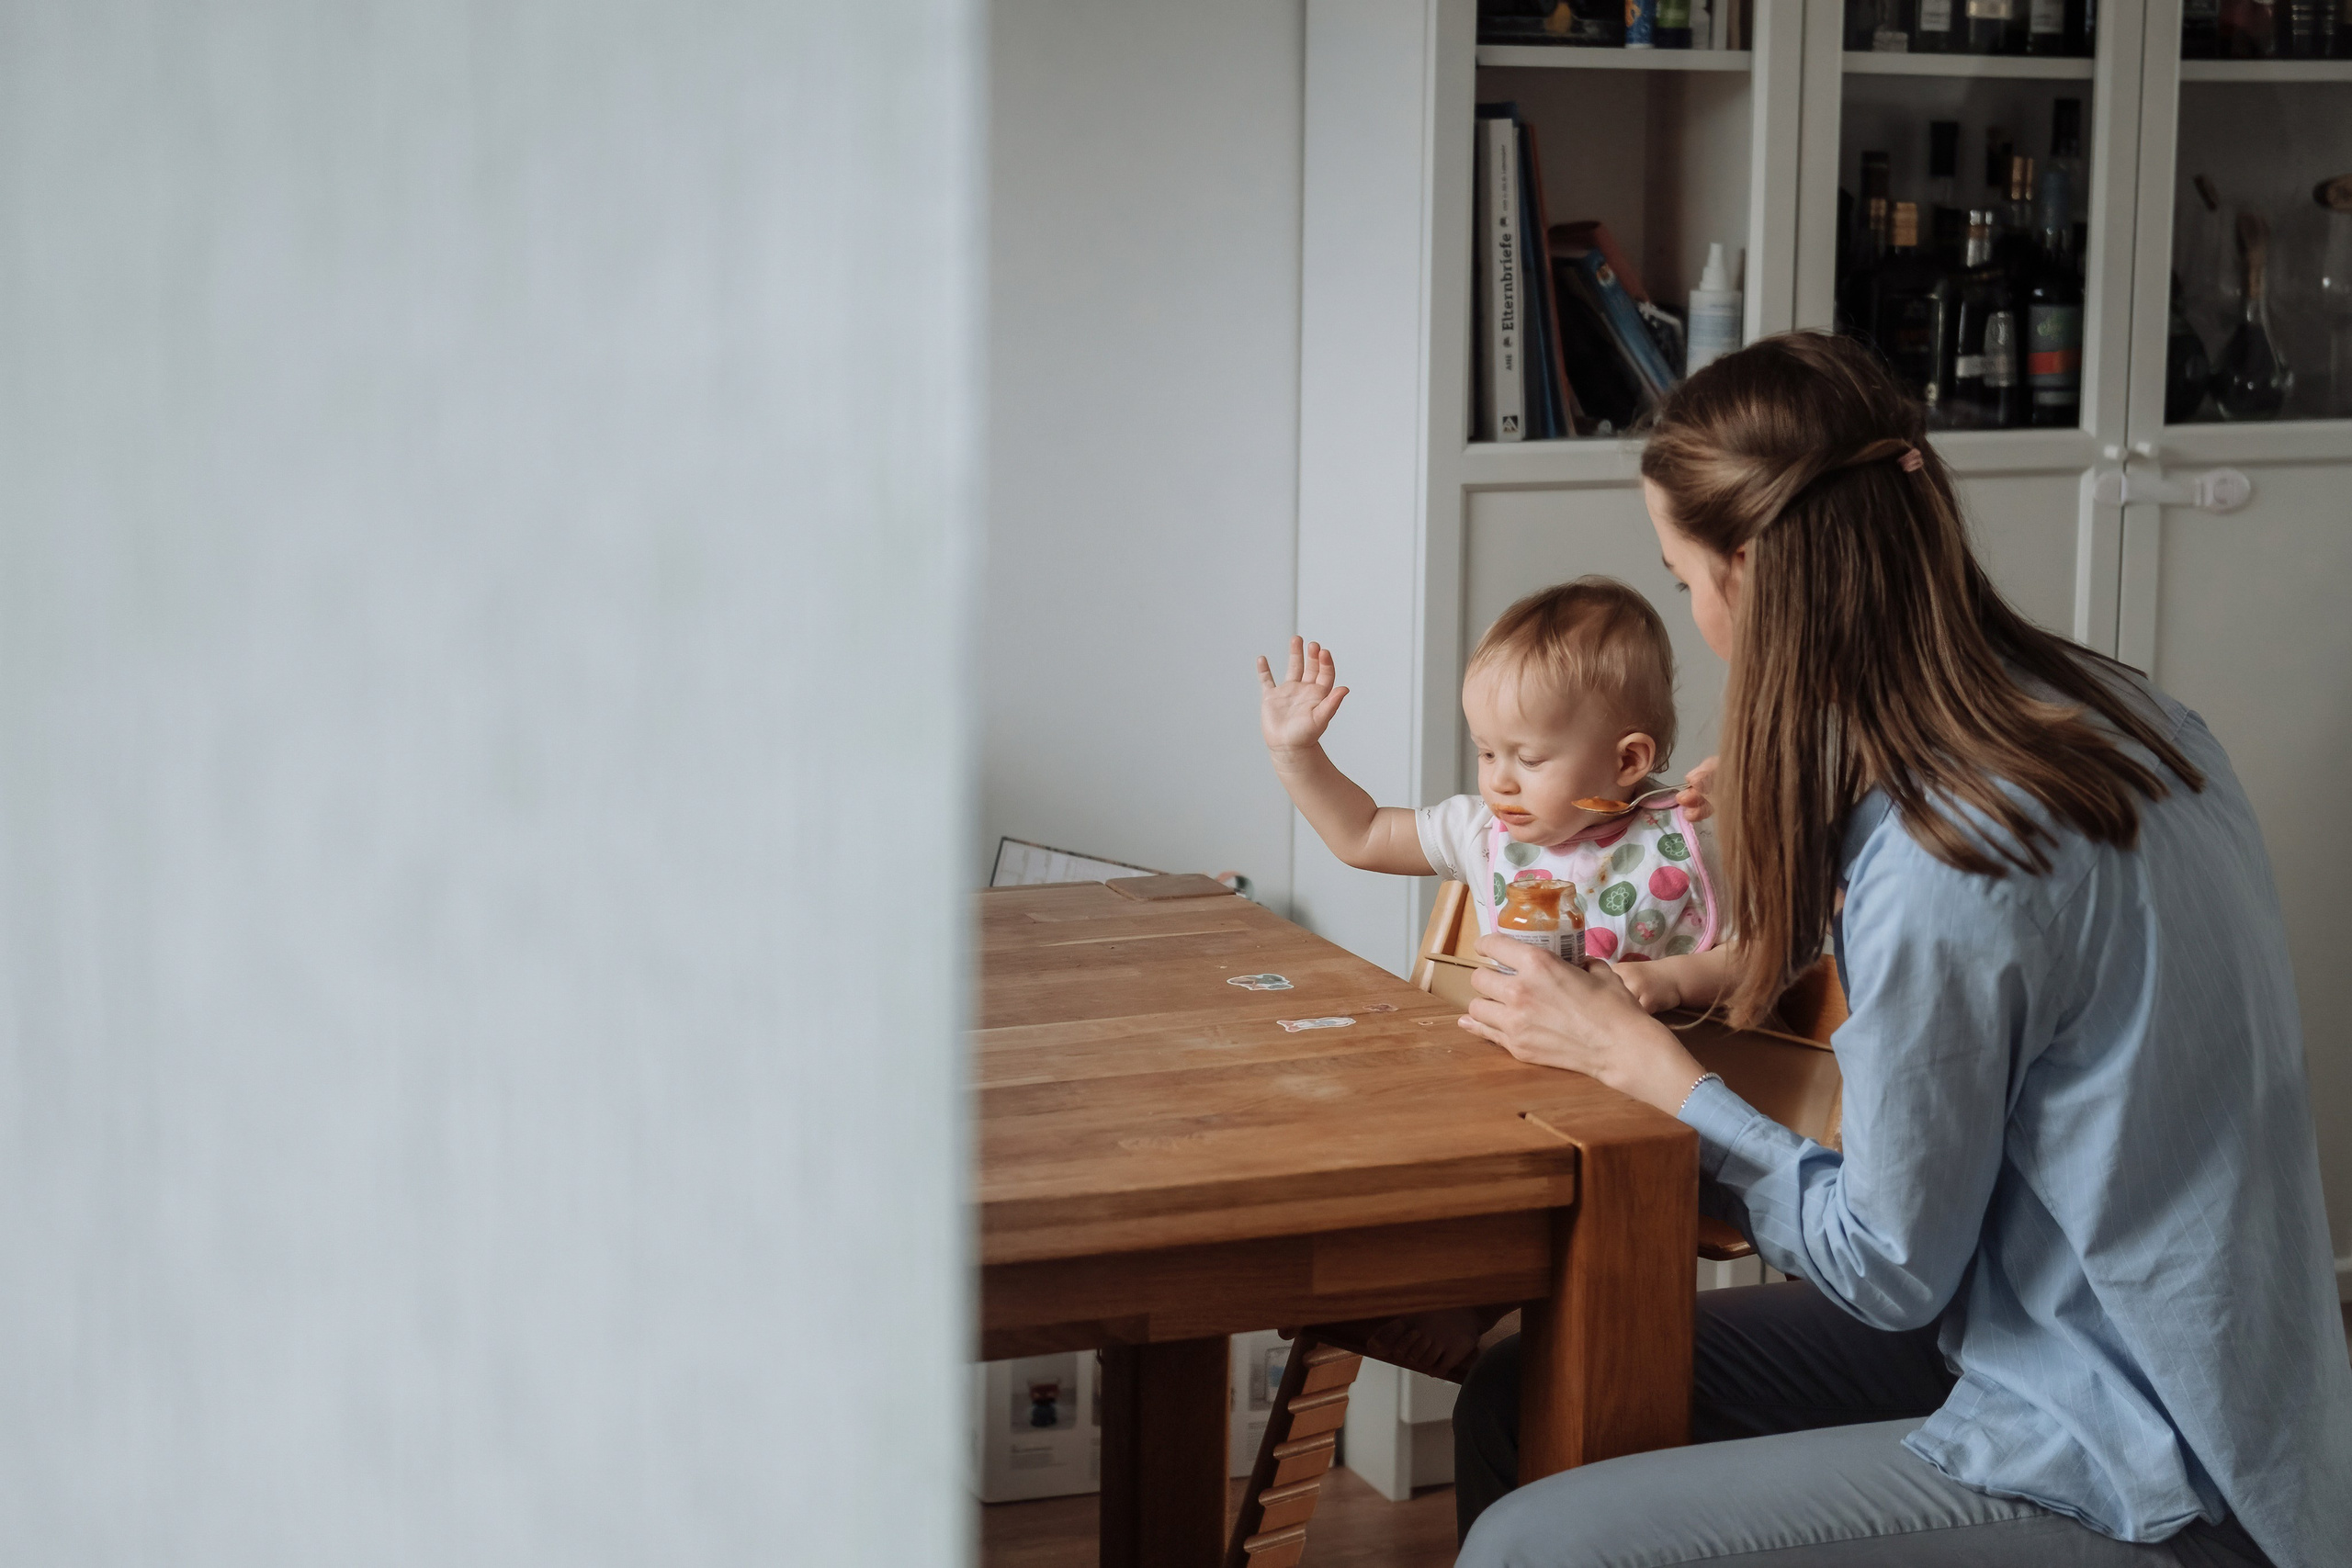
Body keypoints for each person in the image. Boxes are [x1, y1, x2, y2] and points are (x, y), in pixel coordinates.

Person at [1448, 332, 2352, 1568]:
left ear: (1753, 566)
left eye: (1685, 581)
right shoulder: (2130, 716)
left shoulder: (1945, 854)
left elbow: (1884, 1266)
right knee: (1518, 1392)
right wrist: (1814, 842)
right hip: (2190, 1365)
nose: (1699, 619)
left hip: (2142, 1449)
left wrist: (1658, 1070)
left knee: (1531, 1548)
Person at [1255, 577, 1722, 1376]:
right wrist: (1297, 756)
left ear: (1628, 759)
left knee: (1557, 1175)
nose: (1499, 779)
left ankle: (1469, 1303)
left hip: (1637, 1109)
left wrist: (1672, 979)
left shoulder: (1689, 837)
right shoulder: (1484, 831)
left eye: (1529, 757)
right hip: (1502, 1078)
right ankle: (1410, 1279)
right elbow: (1365, 833)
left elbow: (1773, 955)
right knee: (1382, 1111)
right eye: (1487, 751)